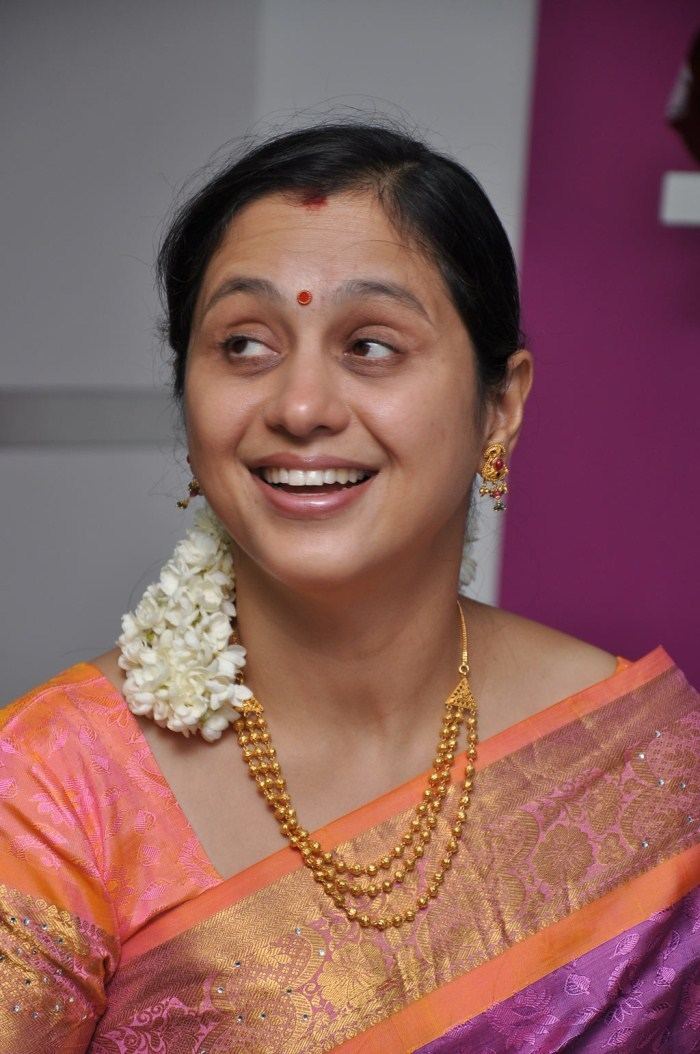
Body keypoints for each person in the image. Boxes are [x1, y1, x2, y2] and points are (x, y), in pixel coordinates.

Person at [1, 122, 697, 1053]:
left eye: (371, 346)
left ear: (502, 404)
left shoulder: (647, 773)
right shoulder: (56, 787)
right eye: (244, 344)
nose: (299, 407)